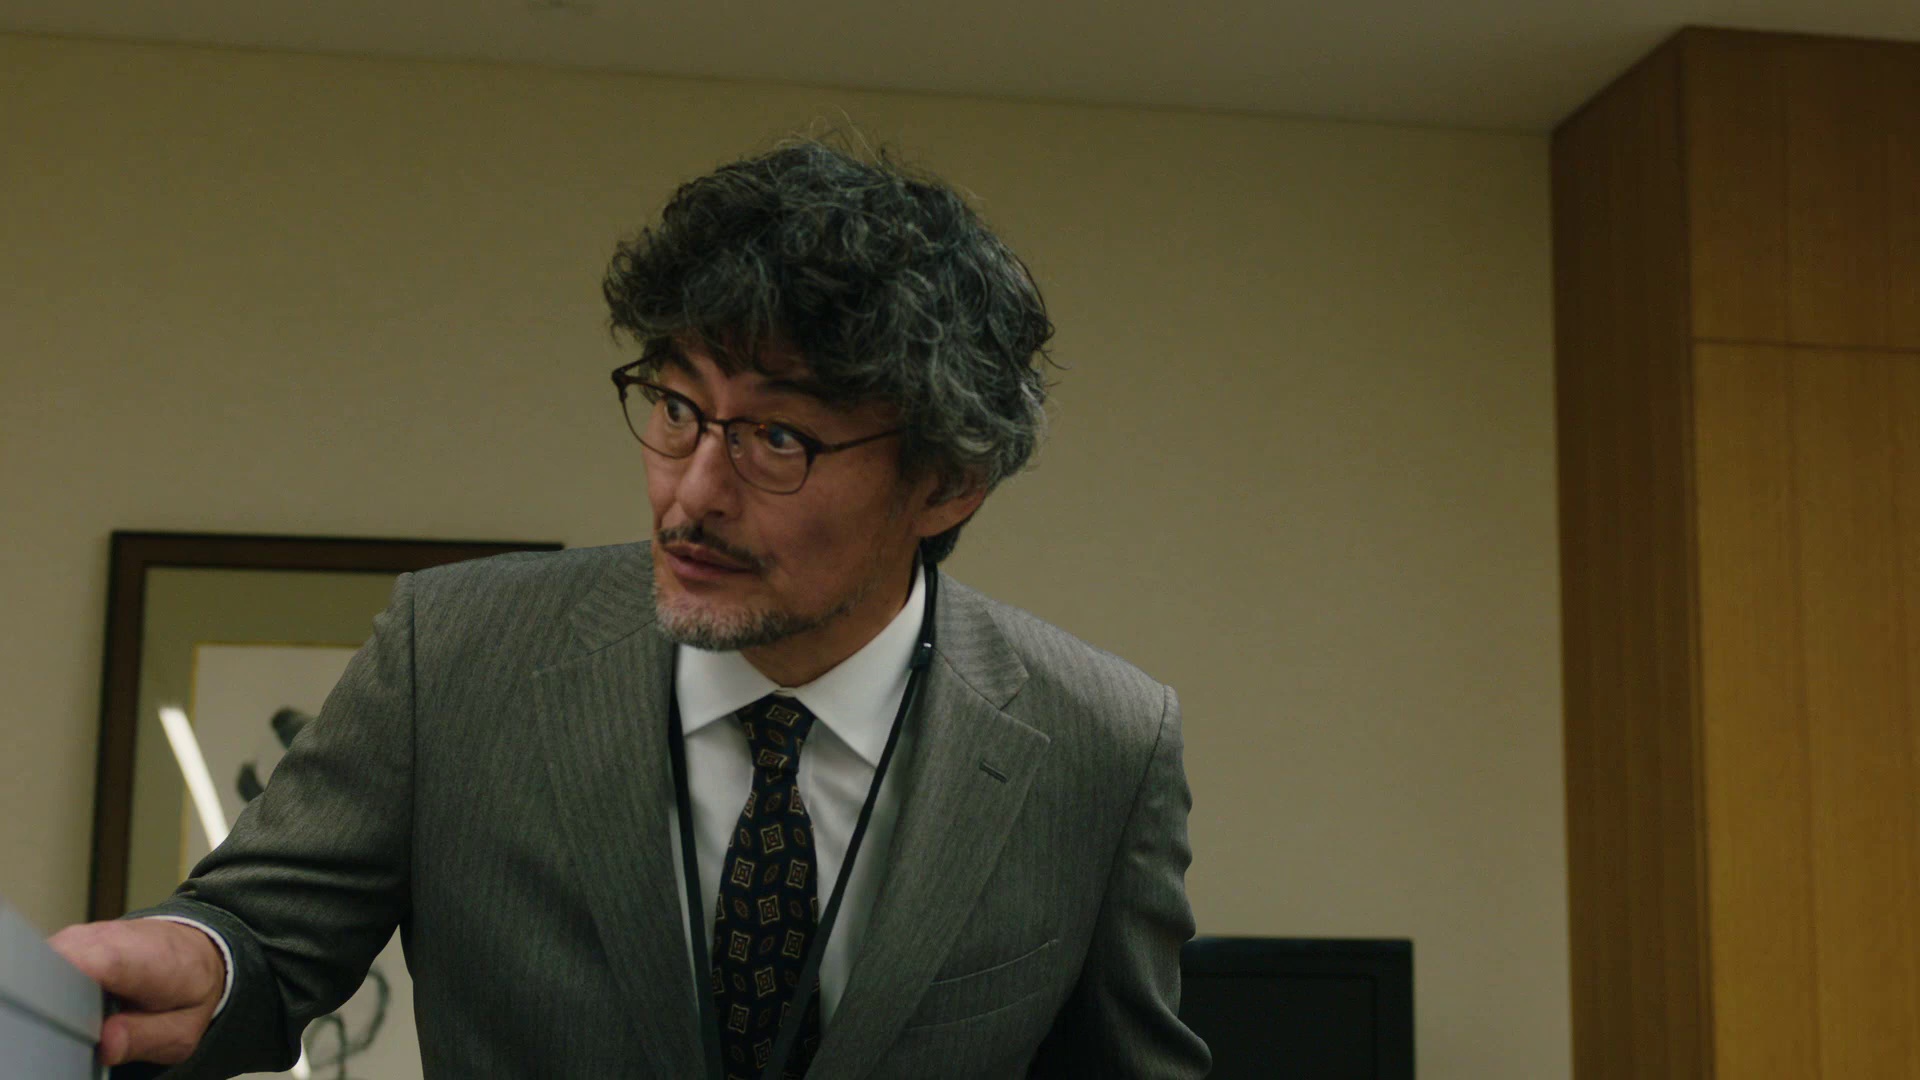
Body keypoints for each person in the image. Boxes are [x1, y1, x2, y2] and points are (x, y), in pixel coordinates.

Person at [51, 138, 1210, 1079]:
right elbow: (263, 936)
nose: (691, 494)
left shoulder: (1102, 743)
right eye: (677, 408)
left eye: (778, 438)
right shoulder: (453, 652)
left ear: (947, 483)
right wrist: (201, 960)